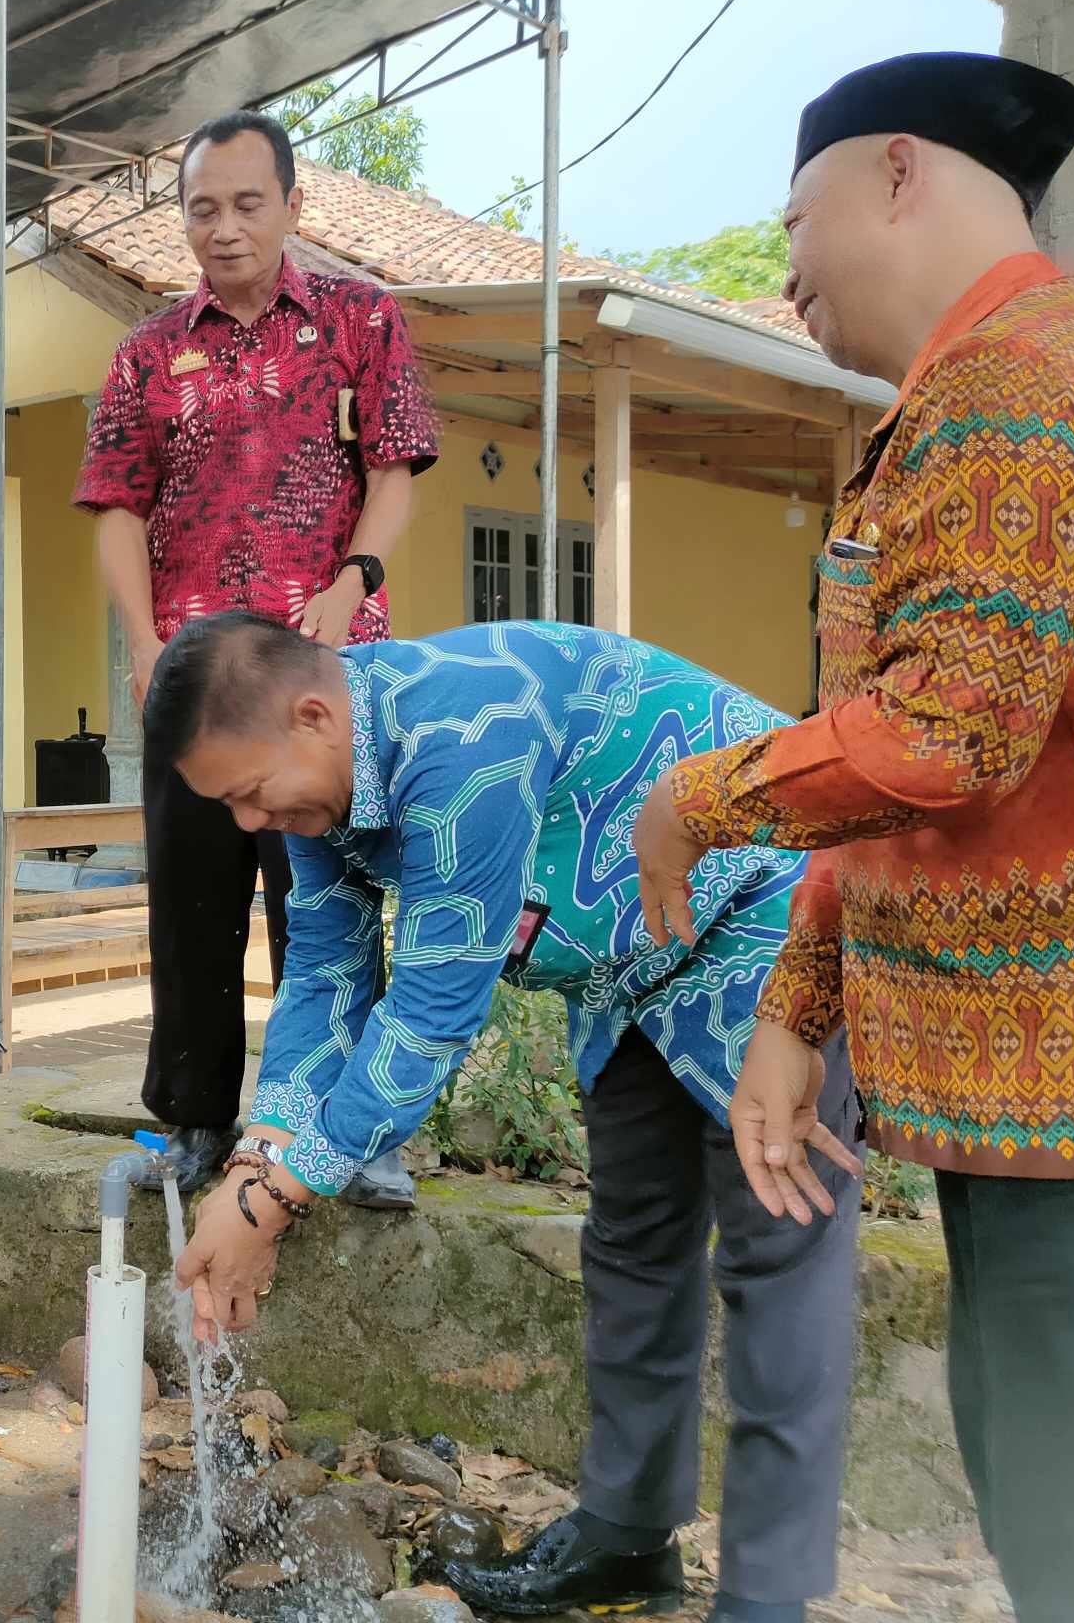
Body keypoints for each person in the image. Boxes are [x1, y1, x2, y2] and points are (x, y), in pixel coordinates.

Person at [634, 52, 1074, 1622]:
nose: (783, 267)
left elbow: (946, 735)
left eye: (798, 215)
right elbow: (914, 755)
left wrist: (692, 800)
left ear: (901, 172)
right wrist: (800, 1008)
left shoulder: (1019, 381)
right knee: (1043, 1464)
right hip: (1041, 1083)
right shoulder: (979, 383)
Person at [163, 616, 861, 1623]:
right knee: (630, 1250)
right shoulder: (326, 780)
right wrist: (259, 1154)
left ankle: (770, 1592)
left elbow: (435, 1011)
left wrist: (272, 1203)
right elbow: (325, 967)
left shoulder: (462, 736)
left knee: (776, 1258)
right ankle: (627, 1538)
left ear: (311, 715)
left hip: (764, 921)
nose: (246, 821)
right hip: (629, 962)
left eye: (245, 792)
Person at [74, 109, 439, 1200]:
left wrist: (354, 581)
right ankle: (194, 1122)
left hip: (324, 683)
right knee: (192, 902)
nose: (223, 229)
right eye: (202, 209)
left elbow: (395, 469)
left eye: (245, 204)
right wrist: (142, 641)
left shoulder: (361, 320)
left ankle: (350, 1129)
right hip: (193, 683)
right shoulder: (147, 353)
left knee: (326, 904)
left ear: (290, 205)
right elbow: (114, 507)